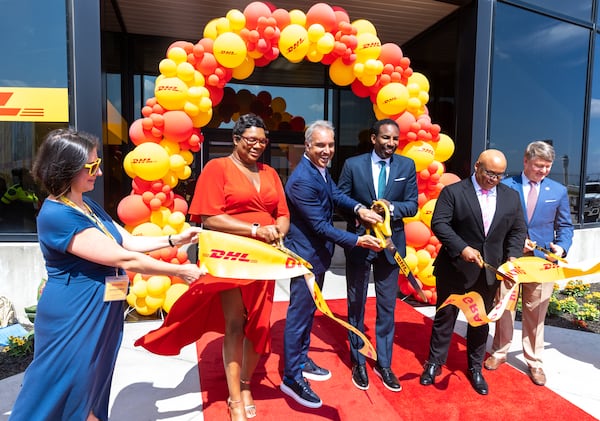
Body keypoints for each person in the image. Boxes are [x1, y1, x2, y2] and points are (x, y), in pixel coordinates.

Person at [9, 128, 205, 421]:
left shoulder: (86, 204)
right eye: (92, 166)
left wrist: (175, 240)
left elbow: (126, 240)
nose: (99, 172)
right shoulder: (56, 214)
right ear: (66, 168)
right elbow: (124, 257)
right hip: (74, 313)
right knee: (61, 386)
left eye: (97, 164)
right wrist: (179, 270)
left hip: (101, 308)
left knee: (93, 382)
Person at [136, 113, 289, 421]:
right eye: (251, 140)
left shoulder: (271, 173)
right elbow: (209, 217)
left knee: (258, 324)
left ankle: (246, 383)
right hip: (230, 256)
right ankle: (234, 397)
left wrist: (279, 231)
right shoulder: (217, 168)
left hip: (265, 259)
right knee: (235, 325)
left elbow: (282, 212)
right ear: (236, 140)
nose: (257, 146)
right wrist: (257, 230)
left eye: (262, 141)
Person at [280, 120, 383, 408]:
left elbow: (335, 195)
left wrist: (360, 209)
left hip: (318, 257)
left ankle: (300, 360)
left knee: (309, 313)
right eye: (321, 145)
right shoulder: (301, 180)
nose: (327, 151)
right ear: (308, 145)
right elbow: (320, 226)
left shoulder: (320, 171)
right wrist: (358, 240)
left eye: (330, 145)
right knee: (299, 317)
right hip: (305, 258)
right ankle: (290, 377)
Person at [419, 149, 527, 395]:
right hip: (454, 268)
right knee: (445, 318)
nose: (494, 179)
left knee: (479, 323)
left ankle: (475, 367)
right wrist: (461, 248)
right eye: (490, 173)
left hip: (488, 272)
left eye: (500, 175)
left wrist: (512, 258)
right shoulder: (454, 192)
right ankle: (434, 363)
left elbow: (517, 231)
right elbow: (440, 223)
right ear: (477, 166)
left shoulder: (510, 197)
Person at [338, 118, 418, 392]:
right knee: (356, 304)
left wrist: (390, 207)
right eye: (386, 138)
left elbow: (413, 206)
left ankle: (384, 363)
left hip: (390, 247)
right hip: (361, 244)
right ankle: (358, 360)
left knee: (387, 307)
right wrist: (359, 210)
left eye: (395, 139)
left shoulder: (406, 166)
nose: (391, 144)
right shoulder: (353, 165)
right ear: (374, 138)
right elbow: (340, 199)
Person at [484, 141, 573, 386]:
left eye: (547, 166)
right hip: (510, 261)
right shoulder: (505, 186)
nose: (543, 170)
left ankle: (534, 361)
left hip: (541, 264)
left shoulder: (558, 191)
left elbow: (565, 226)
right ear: (525, 161)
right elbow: (492, 222)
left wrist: (561, 247)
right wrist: (512, 241)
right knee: (505, 309)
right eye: (538, 165)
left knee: (536, 314)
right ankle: (499, 352)